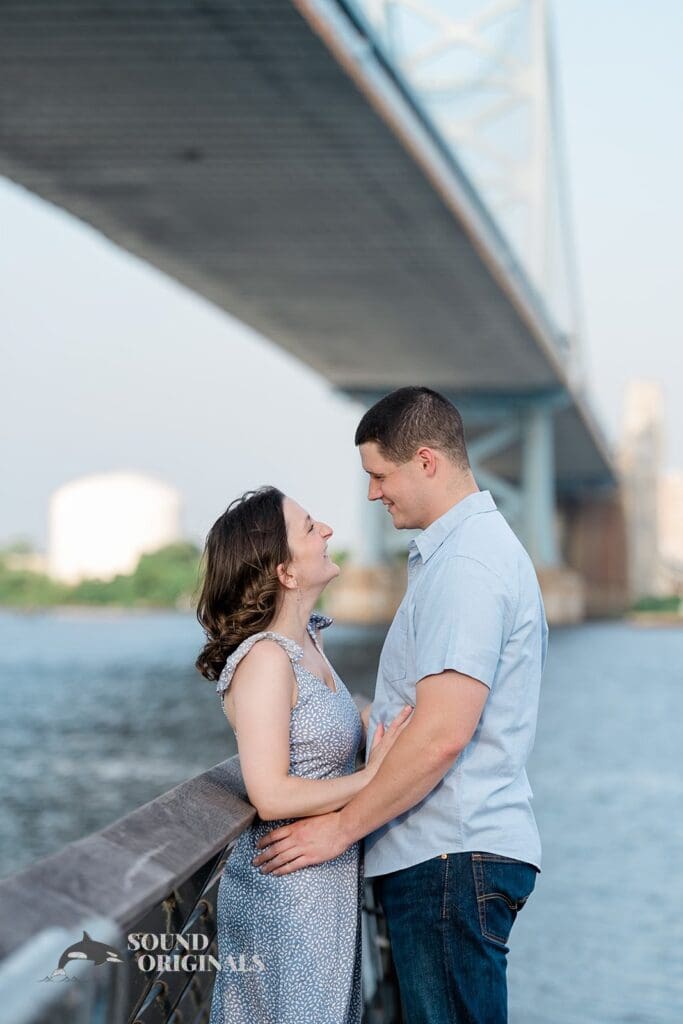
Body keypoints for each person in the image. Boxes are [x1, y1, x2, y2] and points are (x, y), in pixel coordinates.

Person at [255, 387, 548, 1024]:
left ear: (426, 462)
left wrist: (339, 829)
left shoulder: (467, 565)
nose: (371, 494)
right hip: (448, 858)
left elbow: (443, 734)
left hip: (449, 857)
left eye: (380, 475)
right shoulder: (464, 555)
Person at [195, 486, 412, 1024]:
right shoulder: (265, 660)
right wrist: (374, 778)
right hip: (286, 897)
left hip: (325, 887)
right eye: (311, 527)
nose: (329, 531)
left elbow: (325, 724)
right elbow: (270, 795)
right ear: (285, 572)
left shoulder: (309, 644)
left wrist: (374, 717)